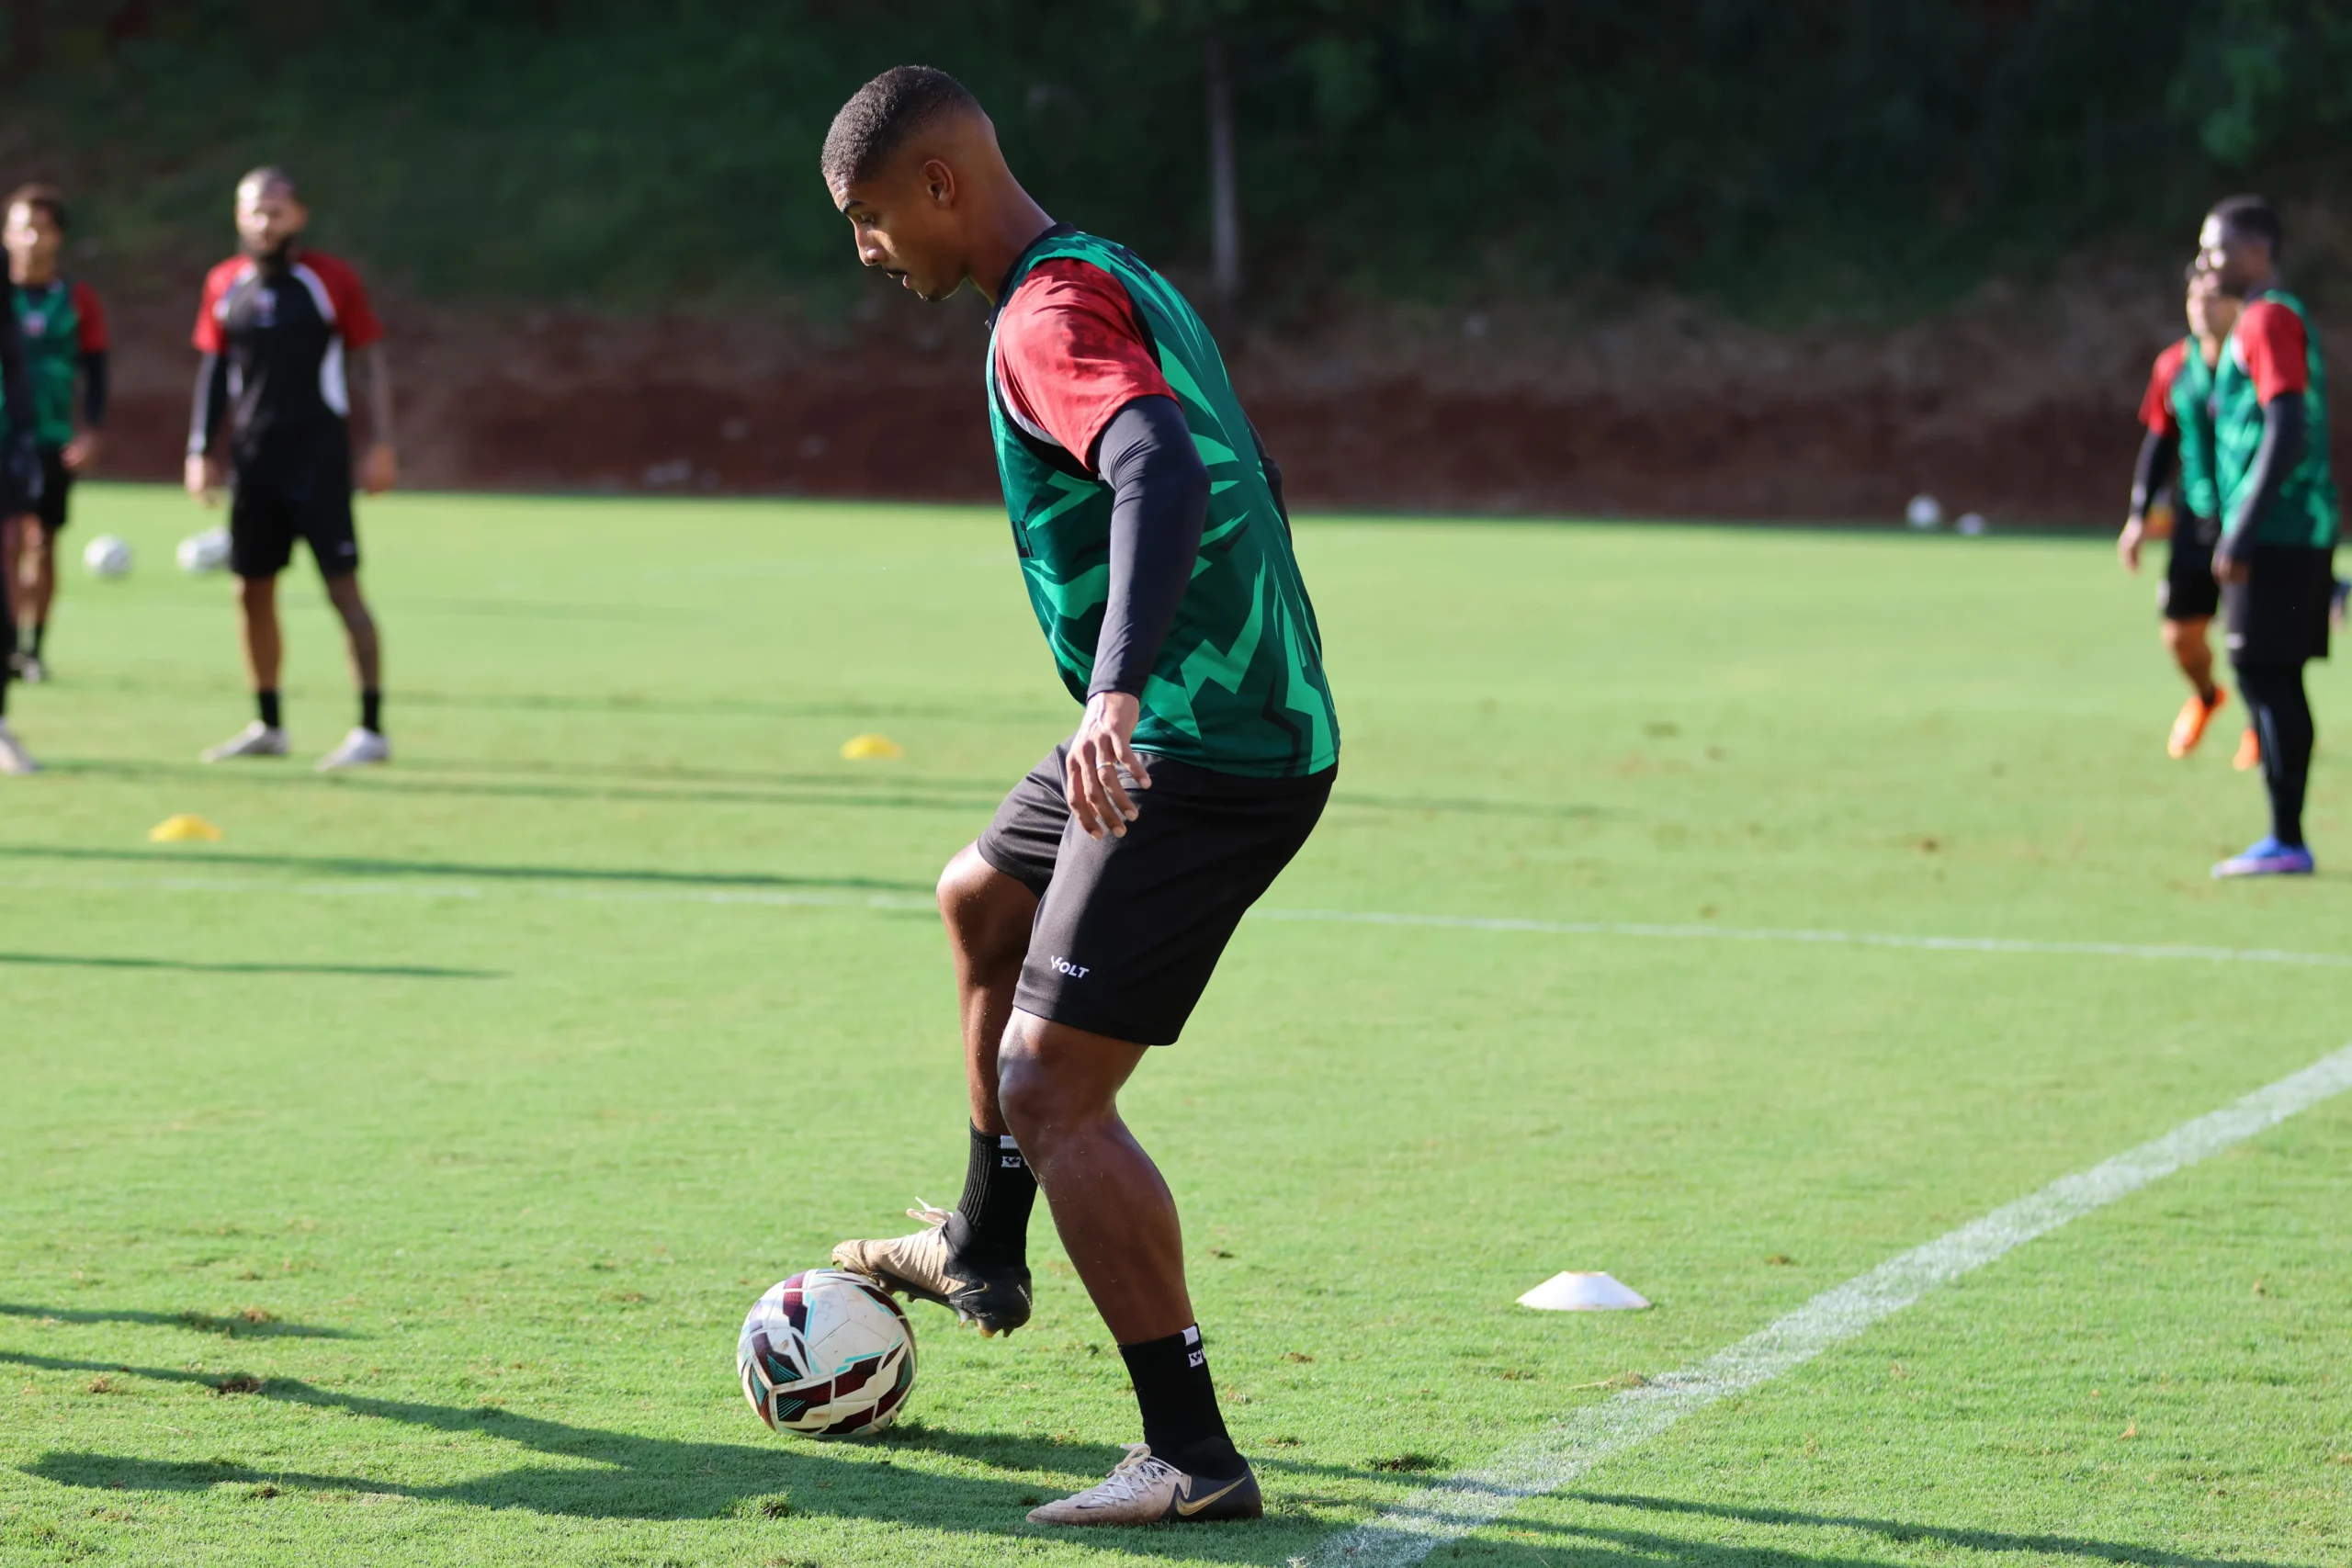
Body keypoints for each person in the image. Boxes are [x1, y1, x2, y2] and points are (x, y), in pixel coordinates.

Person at [820, 66, 1340, 1528]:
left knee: (1054, 1086)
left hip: (1195, 746)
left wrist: (1118, 693)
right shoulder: (1109, 268)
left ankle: (1192, 1454)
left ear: (939, 185)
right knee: (980, 897)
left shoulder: (1042, 318)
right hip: (1196, 713)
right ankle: (983, 1243)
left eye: (870, 219)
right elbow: (1249, 459)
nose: (868, 252)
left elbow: (1159, 463)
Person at [186, 166, 396, 770]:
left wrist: (382, 442)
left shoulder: (328, 280)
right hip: (254, 463)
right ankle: (269, 724)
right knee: (250, 590)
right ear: (238, 216)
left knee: (342, 587)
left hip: (319, 458)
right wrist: (200, 449)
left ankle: (371, 730)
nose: (264, 222)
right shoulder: (224, 283)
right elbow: (213, 371)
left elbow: (368, 358)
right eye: (253, 210)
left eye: (275, 211)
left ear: (298, 217)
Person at [2199, 195, 2337, 877]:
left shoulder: (2268, 318)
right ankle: (2285, 835)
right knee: (2272, 673)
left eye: (2216, 248)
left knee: (2264, 672)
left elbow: (2287, 425)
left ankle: (2286, 838)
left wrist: (2243, 529)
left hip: (2280, 532)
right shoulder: (2257, 320)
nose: (2205, 262)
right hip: (2289, 530)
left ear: (2255, 251)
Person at [2120, 264, 2238, 758]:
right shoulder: (2174, 364)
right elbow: (2160, 441)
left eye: (2211, 297)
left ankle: (2264, 723)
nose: (2201, 308)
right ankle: (2208, 696)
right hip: (2195, 518)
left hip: (2251, 518)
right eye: (2194, 298)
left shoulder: (2253, 360)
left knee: (2251, 637)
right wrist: (2138, 516)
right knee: (2180, 636)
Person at [0, 184, 107, 685]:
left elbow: (97, 371)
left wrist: (90, 432)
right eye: (22, 227)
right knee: (7, 543)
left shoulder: (77, 299)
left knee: (42, 542)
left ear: (58, 237)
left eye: (42, 229)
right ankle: (6, 643)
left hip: (52, 436)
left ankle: (33, 649)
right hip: (3, 435)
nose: (31, 239)